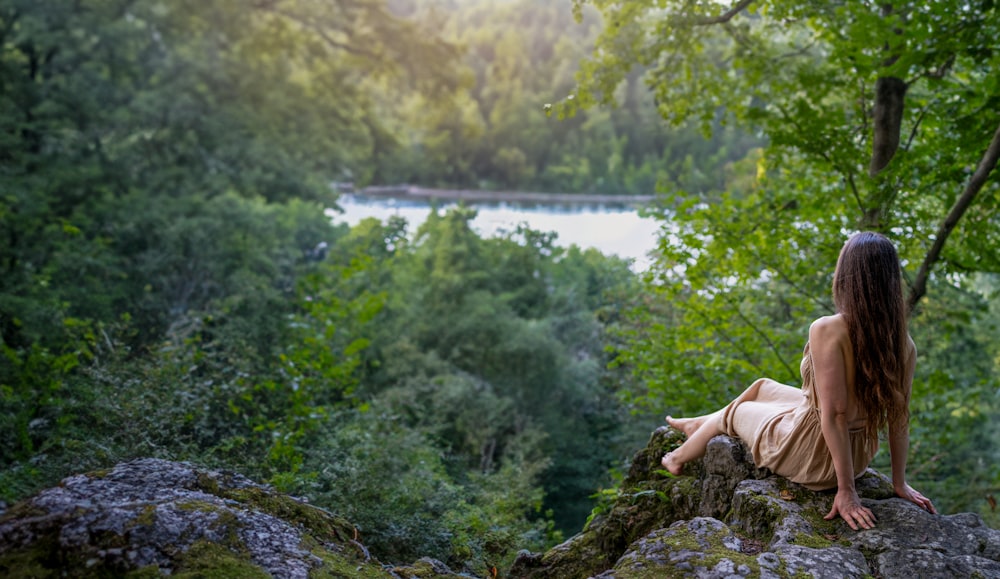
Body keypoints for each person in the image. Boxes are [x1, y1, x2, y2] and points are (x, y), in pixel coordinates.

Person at [660, 231, 937, 531]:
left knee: (737, 412)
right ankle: (696, 424)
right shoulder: (903, 343)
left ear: (848, 277)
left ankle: (676, 457)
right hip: (856, 455)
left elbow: (835, 414)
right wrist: (900, 482)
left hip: (815, 455)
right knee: (763, 387)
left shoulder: (828, 329)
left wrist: (847, 491)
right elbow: (900, 418)